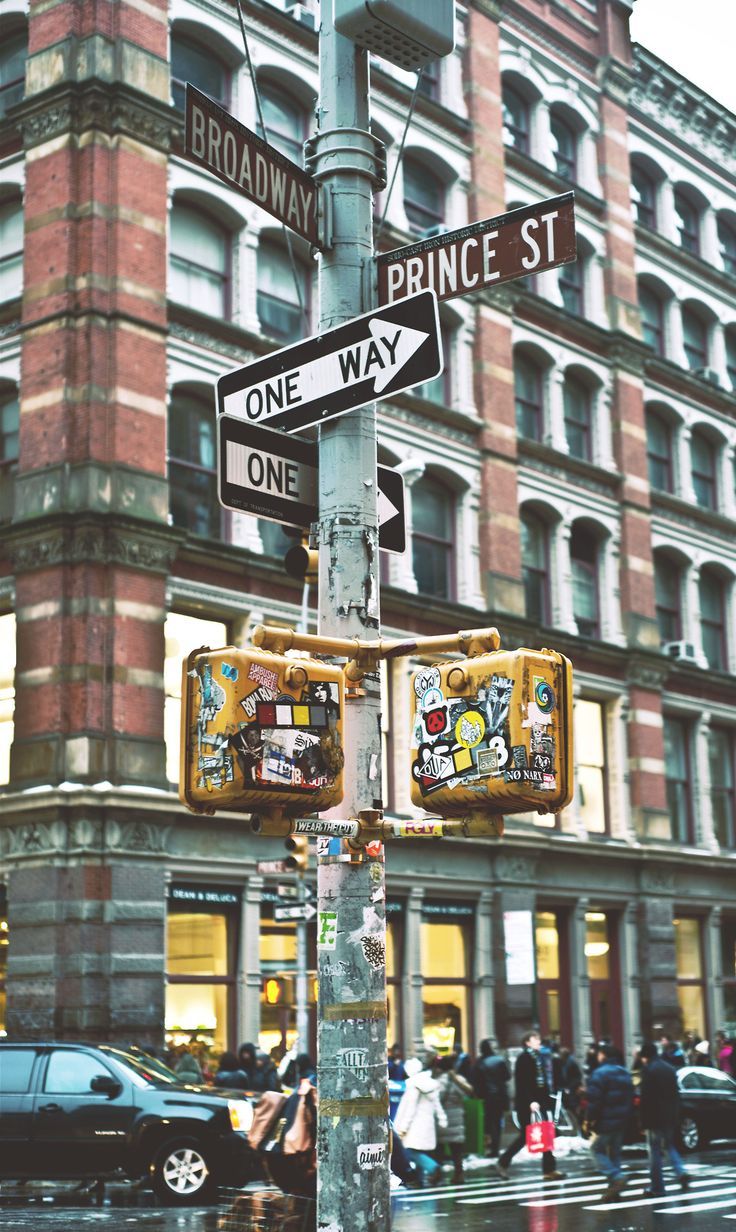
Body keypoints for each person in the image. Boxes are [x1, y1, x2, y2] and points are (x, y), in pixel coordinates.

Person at [496, 1032, 564, 1182]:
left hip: (539, 1103)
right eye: (535, 1039)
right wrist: (531, 1101)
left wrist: (546, 1100)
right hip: (528, 1104)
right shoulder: (524, 1058)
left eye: (539, 1039)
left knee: (544, 1134)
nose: (539, 1041)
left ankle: (549, 1169)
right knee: (526, 1136)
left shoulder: (537, 1057)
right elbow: (523, 1083)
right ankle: (503, 1162)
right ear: (527, 1042)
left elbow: (541, 1082)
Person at [638, 1040, 690, 1197]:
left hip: (655, 1118)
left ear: (645, 1056)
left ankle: (657, 1188)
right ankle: (680, 1171)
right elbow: (676, 1095)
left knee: (654, 1152)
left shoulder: (648, 1070)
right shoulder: (669, 1069)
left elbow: (646, 1099)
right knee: (669, 1145)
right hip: (669, 1116)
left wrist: (643, 1121)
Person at [585, 1043, 634, 1202]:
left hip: (606, 1120)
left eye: (599, 1054)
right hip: (622, 1119)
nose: (598, 1056)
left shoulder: (599, 1073)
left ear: (603, 1055)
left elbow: (594, 1101)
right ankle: (615, 1189)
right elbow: (630, 1097)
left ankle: (616, 1177)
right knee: (614, 1153)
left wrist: (589, 1119)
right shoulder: (624, 1072)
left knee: (596, 1149)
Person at [394, 1057, 448, 1187]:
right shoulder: (429, 1083)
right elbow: (437, 1104)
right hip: (427, 1124)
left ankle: (433, 1168)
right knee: (417, 1151)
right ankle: (418, 1180)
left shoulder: (414, 1085)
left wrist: (402, 1128)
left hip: (414, 1125)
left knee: (410, 1151)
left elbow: (409, 1109)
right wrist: (442, 1119)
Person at [434, 1054, 473, 1184]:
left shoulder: (437, 1082)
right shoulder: (459, 1080)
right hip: (457, 1119)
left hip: (442, 1120)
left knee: (438, 1149)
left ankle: (438, 1174)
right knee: (457, 1150)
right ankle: (459, 1174)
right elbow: (467, 1094)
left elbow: (435, 1100)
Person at [471, 1039, 509, 1159]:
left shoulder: (479, 1063)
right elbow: (507, 1076)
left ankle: (487, 1145)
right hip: (499, 1095)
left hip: (486, 1096)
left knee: (487, 1123)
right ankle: (495, 1148)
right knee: (497, 1123)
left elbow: (475, 1080)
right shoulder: (499, 1060)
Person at [559, 1046, 583, 1135]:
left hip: (572, 1089)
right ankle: (575, 1125)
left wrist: (570, 1087)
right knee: (570, 1107)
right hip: (568, 1088)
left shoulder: (571, 1063)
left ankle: (578, 1127)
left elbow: (577, 1076)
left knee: (573, 1108)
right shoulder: (565, 1062)